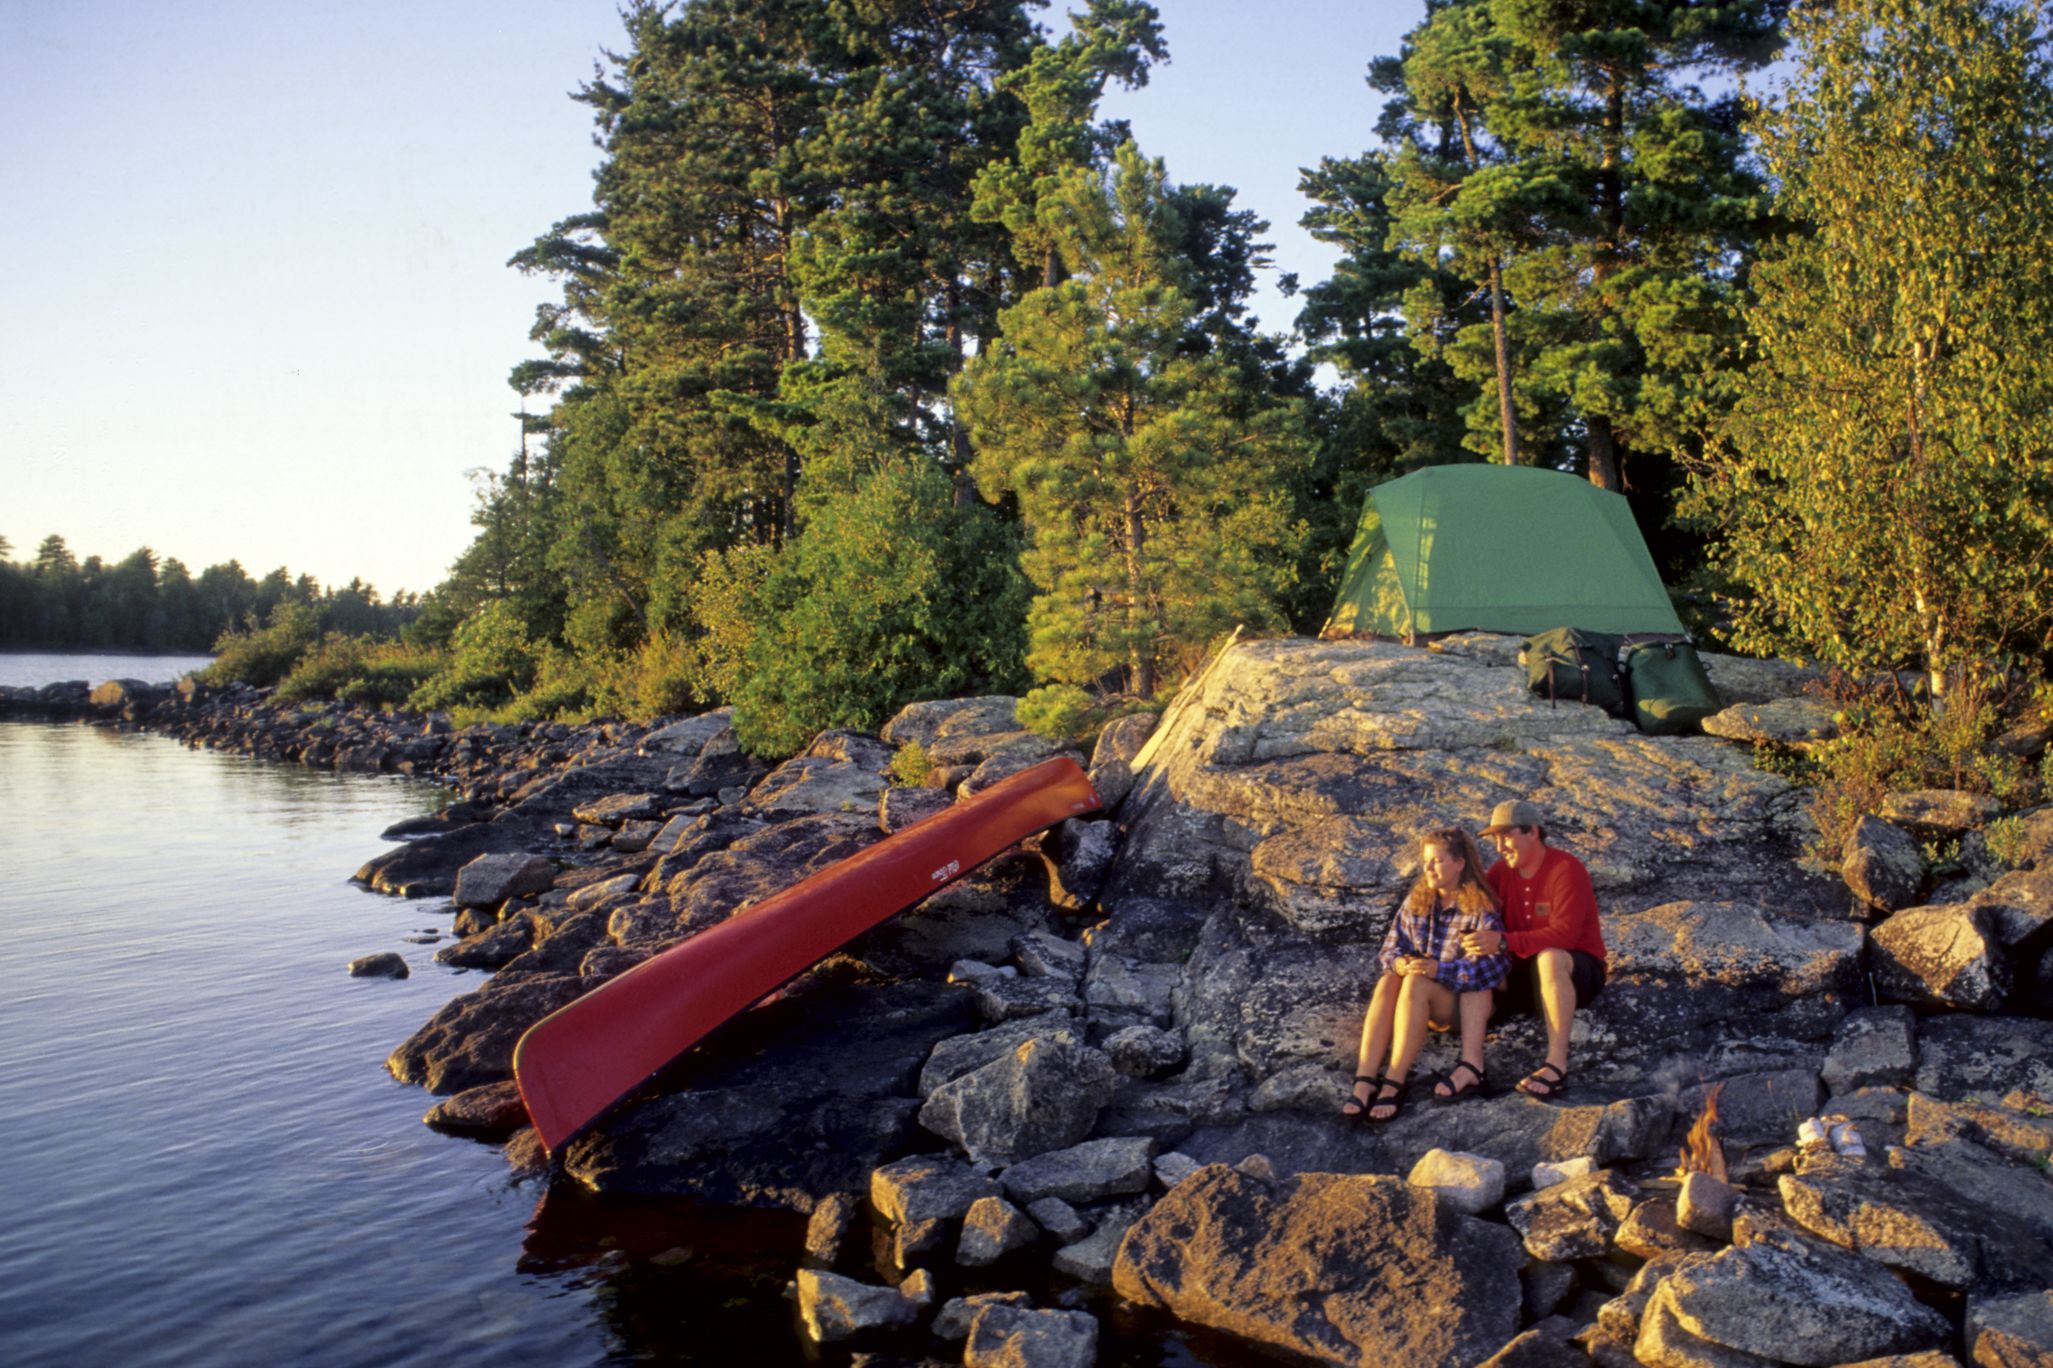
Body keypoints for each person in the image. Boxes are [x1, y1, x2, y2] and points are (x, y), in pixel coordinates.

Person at [1342, 828, 1510, 1121]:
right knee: (1390, 980)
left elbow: (1491, 970)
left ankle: (1394, 1082)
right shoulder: (1418, 901)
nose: (1428, 868)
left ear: (1459, 864)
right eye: (1427, 861)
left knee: (1417, 982)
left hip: (1462, 1005)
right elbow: (1389, 952)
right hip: (1419, 1001)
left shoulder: (1480, 909)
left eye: (1437, 861)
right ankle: (1365, 1078)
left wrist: (1436, 969)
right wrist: (1402, 964)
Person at [1462, 799, 1607, 1099]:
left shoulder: (1566, 868)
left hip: (1576, 972)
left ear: (1532, 832)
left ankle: (1556, 1066)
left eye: (1506, 836)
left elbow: (1564, 936)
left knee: (1550, 957)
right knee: (1472, 962)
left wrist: (1503, 942)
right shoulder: (1501, 872)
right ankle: (1471, 1064)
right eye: (1495, 839)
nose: (1500, 846)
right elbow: (1474, 907)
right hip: (1524, 974)